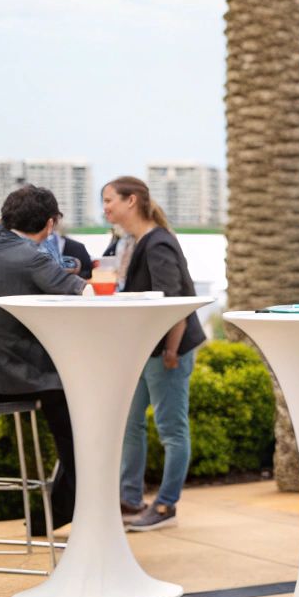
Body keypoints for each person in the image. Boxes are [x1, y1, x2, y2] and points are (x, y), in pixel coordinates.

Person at [0, 186, 85, 535]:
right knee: (81, 411)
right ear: (50, 224)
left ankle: (54, 515)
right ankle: (64, 511)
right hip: (14, 380)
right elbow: (82, 295)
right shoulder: (32, 258)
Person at [106, 177, 206, 531]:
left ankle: (165, 506)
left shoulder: (158, 243)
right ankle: (129, 500)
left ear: (131, 201)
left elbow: (175, 302)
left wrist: (172, 350)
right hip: (145, 350)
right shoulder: (135, 242)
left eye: (109, 200)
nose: (105, 208)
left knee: (171, 430)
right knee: (130, 424)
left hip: (167, 351)